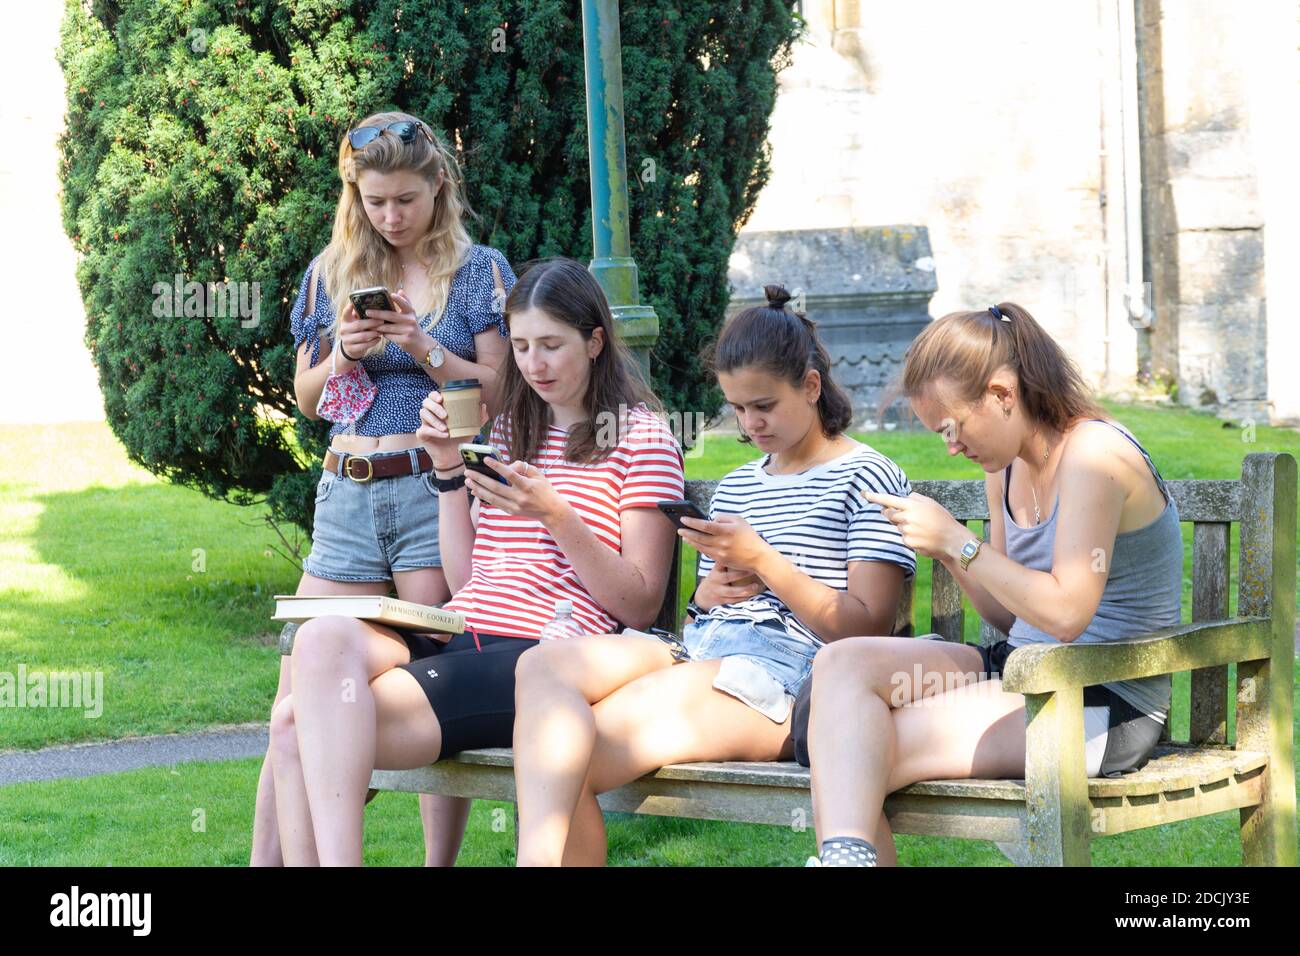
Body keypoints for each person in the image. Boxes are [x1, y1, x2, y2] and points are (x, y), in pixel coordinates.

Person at [267, 257, 686, 865]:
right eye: (519, 346)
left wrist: (556, 515)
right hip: (464, 626)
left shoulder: (641, 437)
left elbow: (640, 602)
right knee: (322, 639)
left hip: (542, 653)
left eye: (551, 345)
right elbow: (467, 580)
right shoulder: (511, 427)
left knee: (294, 727)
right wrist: (445, 468)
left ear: (595, 342)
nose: (532, 364)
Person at [511, 284, 917, 866]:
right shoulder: (740, 484)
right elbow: (706, 611)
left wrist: (763, 562)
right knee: (543, 666)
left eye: (765, 407)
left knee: (560, 754)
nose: (751, 424)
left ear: (810, 386)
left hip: (789, 677)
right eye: (738, 408)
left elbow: (863, 632)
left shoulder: (866, 477)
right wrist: (708, 592)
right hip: (702, 649)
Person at [796, 302, 1181, 867]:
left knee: (847, 747)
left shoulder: (1095, 456)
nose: (950, 445)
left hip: (1101, 697)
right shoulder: (1003, 467)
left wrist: (958, 542)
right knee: (840, 668)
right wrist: (947, 554)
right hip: (1022, 667)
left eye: (951, 427)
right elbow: (1010, 615)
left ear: (1002, 394)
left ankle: (844, 860)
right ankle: (847, 859)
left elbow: (1068, 614)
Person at [250, 110, 515, 866]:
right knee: (295, 693)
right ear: (353, 195)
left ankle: (438, 865)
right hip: (346, 492)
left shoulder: (479, 271)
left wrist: (422, 345)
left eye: (406, 199)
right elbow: (307, 397)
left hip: (430, 488)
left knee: (431, 676)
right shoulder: (332, 271)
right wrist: (344, 357)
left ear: (439, 187)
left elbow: (500, 390)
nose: (391, 216)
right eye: (375, 201)